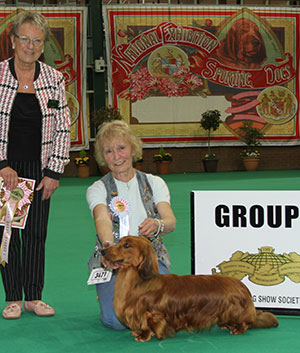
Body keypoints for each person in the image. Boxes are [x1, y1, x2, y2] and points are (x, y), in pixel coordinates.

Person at [0, 11, 71, 319]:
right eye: (24, 39)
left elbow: (63, 129)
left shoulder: (54, 79)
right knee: (7, 233)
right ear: (13, 41)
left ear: (44, 45)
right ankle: (13, 297)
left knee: (36, 234)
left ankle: (34, 297)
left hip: (40, 169)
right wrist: (1, 164)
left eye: (37, 40)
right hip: (6, 170)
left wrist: (54, 171)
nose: (30, 46)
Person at [86, 120, 176, 330]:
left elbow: (170, 222)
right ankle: (108, 288)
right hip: (113, 260)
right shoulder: (97, 188)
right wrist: (108, 248)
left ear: (133, 148)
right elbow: (101, 219)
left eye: (121, 148)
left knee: (163, 313)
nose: (116, 157)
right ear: (102, 157)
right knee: (116, 321)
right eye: (109, 151)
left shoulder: (155, 183)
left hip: (149, 258)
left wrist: (158, 224)